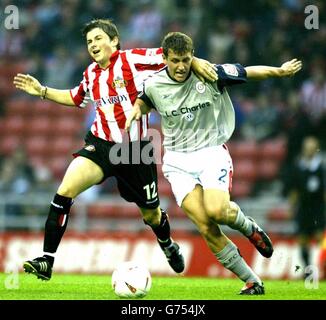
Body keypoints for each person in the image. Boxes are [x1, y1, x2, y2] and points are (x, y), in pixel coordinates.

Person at [13, 19, 217, 281]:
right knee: (64, 192)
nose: (93, 45)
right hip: (101, 145)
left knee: (152, 214)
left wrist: (197, 62)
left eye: (98, 39)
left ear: (114, 41)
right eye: (89, 42)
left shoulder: (132, 60)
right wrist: (42, 90)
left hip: (135, 151)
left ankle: (167, 244)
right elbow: (76, 98)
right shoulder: (91, 74)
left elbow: (171, 56)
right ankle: (47, 260)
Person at [126, 32, 302, 294]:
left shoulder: (210, 73)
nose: (181, 66)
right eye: (175, 60)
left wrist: (279, 71)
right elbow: (145, 98)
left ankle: (248, 227)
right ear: (164, 59)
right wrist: (136, 110)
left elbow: (249, 72)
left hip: (210, 153)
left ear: (192, 56)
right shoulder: (154, 83)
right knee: (206, 226)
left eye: (186, 59)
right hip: (176, 161)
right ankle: (252, 281)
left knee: (218, 211)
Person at [288, 136, 325, 278]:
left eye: (312, 148)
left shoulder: (321, 167)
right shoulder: (298, 166)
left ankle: (323, 266)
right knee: (303, 239)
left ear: (315, 149)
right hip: (303, 208)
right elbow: (294, 189)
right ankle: (308, 270)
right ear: (304, 149)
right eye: (307, 148)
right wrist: (291, 208)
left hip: (318, 208)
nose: (309, 150)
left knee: (320, 237)